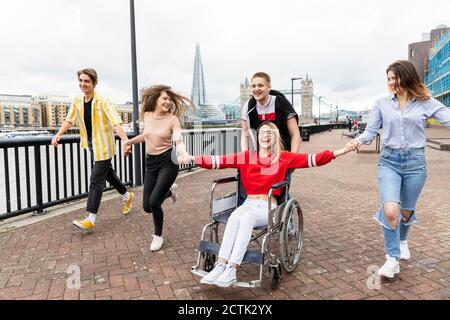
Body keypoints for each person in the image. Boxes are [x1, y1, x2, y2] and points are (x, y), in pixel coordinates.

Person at [181, 121, 354, 287]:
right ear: (257, 137)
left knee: (246, 217)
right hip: (248, 203)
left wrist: (343, 150)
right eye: (262, 133)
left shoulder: (283, 158)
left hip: (268, 207)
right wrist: (191, 158)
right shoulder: (246, 157)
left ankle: (232, 270)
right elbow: (218, 161)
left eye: (269, 133)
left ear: (275, 137)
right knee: (235, 216)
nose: (265, 136)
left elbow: (313, 159)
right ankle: (221, 265)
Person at [350, 60, 450, 279]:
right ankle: (392, 258)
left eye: (395, 77)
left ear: (407, 77)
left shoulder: (425, 102)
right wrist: (357, 141)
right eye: (389, 78)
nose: (391, 82)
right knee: (390, 211)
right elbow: (370, 132)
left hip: (415, 164)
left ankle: (403, 240)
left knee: (406, 212)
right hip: (389, 162)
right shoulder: (381, 103)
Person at [51, 68, 134, 232]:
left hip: (104, 145)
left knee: (96, 179)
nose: (83, 84)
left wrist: (126, 141)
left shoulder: (103, 101)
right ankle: (126, 195)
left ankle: (90, 218)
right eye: (80, 81)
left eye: (86, 81)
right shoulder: (77, 100)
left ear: (94, 83)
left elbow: (116, 122)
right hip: (90, 144)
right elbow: (69, 120)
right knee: (108, 174)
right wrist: (58, 135)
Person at [124, 85, 194, 251]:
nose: (168, 102)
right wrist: (128, 142)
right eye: (165, 98)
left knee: (155, 202)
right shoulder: (147, 116)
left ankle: (158, 236)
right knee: (147, 207)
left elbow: (177, 137)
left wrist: (182, 150)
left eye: (170, 99)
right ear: (155, 99)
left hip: (168, 162)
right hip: (151, 164)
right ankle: (170, 192)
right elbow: (147, 135)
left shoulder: (172, 119)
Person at [239, 72, 300, 204]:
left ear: (268, 87)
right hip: (262, 157)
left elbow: (295, 134)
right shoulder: (248, 107)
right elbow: (244, 134)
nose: (256, 89)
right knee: (259, 192)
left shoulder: (281, 103)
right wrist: (245, 157)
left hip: (282, 156)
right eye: (253, 86)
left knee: (280, 194)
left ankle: (288, 224)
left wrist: (293, 158)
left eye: (260, 85)